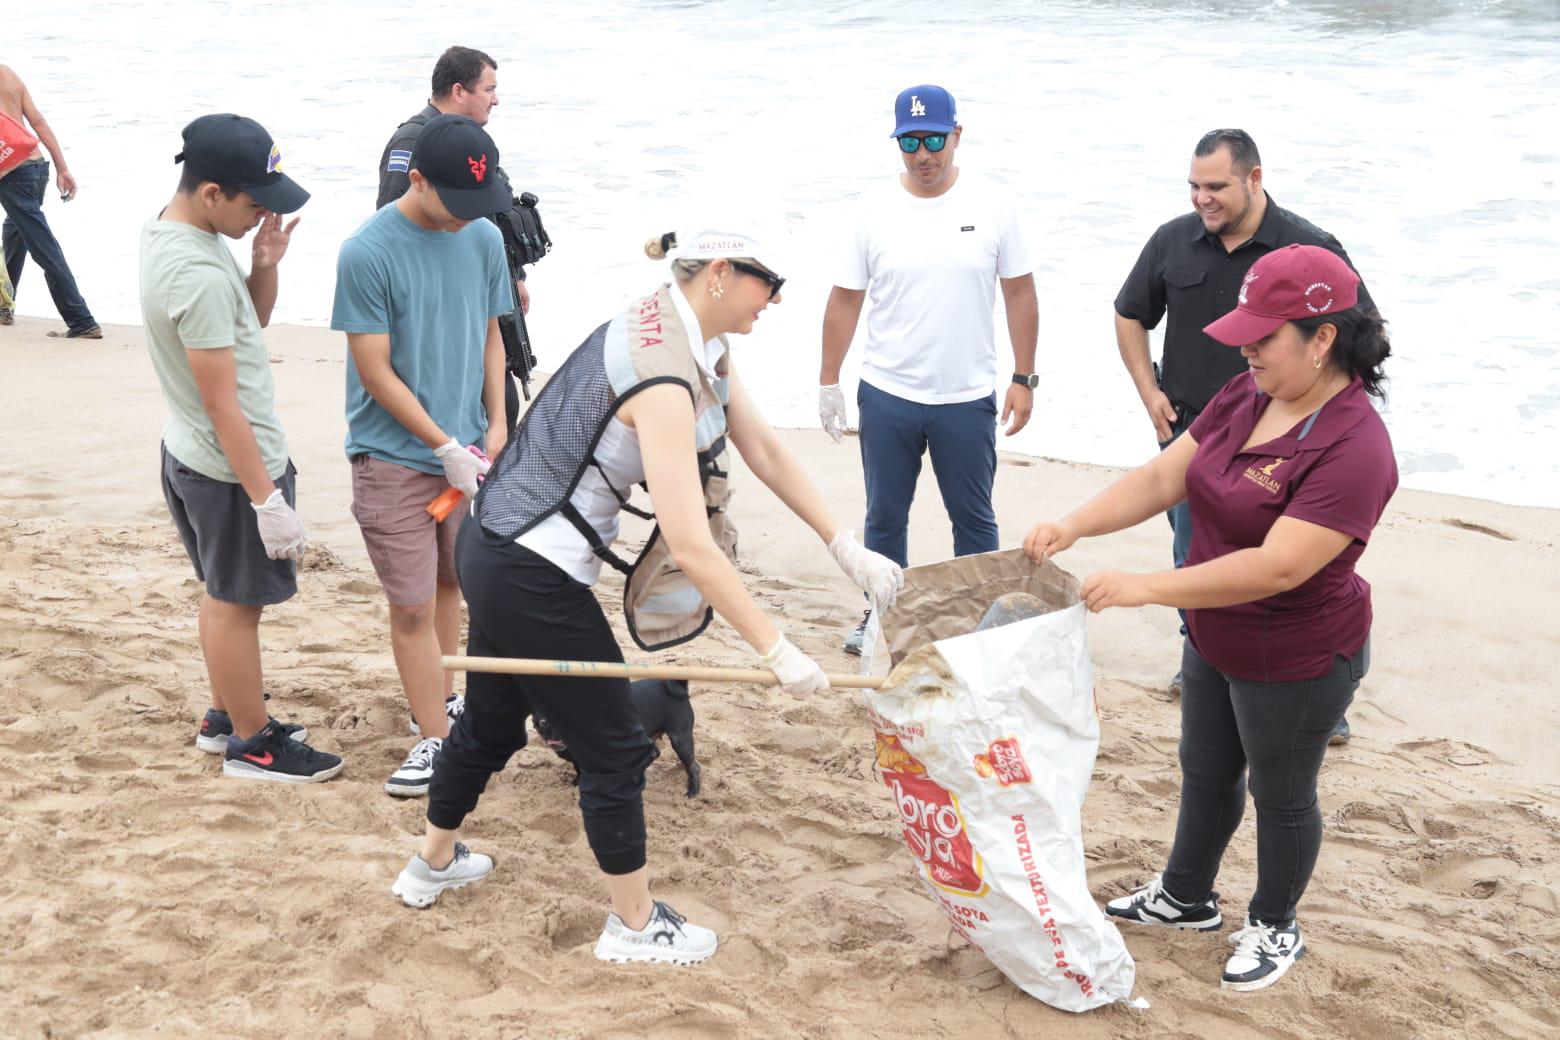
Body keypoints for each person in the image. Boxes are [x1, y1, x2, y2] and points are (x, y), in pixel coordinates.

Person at [389, 227, 904, 968]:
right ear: (721, 272)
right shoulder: (663, 377)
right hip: (529, 570)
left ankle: (430, 866)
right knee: (615, 750)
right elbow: (692, 546)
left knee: (495, 723)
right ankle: (633, 925)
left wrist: (842, 544)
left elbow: (758, 445)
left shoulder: (682, 324)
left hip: (491, 543)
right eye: (770, 281)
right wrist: (778, 648)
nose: (781, 298)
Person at [1026, 244, 1397, 992]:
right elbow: (1168, 474)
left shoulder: (1356, 445)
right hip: (1214, 628)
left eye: (1263, 337)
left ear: (1323, 337)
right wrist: (1075, 526)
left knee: (1282, 793)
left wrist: (1148, 587)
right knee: (1205, 769)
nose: (1246, 350)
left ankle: (1274, 924)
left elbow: (1280, 565)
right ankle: (1185, 896)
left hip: (1297, 652)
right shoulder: (1246, 395)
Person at [1114, 128, 1374, 745]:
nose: (1202, 199)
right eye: (1195, 187)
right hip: (1192, 434)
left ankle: (1318, 696)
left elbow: (1358, 340)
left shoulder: (1310, 249)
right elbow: (1129, 313)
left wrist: (1326, 431)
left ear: (1254, 179)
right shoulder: (1173, 240)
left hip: (1288, 445)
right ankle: (1202, 662)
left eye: (1216, 187)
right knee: (1194, 552)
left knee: (1294, 566)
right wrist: (1147, 391)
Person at [141, 113, 342, 783]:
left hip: (196, 453)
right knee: (236, 604)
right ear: (211, 193)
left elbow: (245, 323)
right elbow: (221, 402)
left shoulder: (178, 235)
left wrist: (263, 267)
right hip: (226, 466)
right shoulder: (193, 271)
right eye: (253, 203)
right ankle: (254, 746)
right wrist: (267, 499)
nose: (262, 215)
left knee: (223, 594)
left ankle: (227, 715)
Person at [819, 84, 1037, 655]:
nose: (924, 154)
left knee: (975, 519)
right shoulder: (871, 209)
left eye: (934, 139)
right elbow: (845, 300)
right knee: (885, 518)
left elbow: (1019, 293)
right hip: (888, 393)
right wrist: (827, 383)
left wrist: (1024, 377)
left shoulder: (995, 203)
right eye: (910, 142)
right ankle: (881, 618)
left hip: (965, 398)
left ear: (956, 136)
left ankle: (979, 626)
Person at [333, 114, 511, 798]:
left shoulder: (485, 235)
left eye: (479, 205)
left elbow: (493, 331)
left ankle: (444, 704)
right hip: (392, 457)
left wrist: (494, 424)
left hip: (469, 448)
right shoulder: (367, 252)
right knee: (409, 605)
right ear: (414, 180)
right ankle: (436, 741)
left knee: (451, 586)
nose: (469, 220)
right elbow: (374, 369)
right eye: (456, 205)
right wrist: (439, 444)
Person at [375, 45, 536, 430]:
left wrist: (513, 276)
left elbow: (487, 214)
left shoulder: (470, 141)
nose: (496, 100)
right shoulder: (412, 143)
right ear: (459, 90)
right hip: (442, 314)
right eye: (489, 89)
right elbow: (391, 230)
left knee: (503, 410)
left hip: (482, 302)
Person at [0, 64, 99, 336]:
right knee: (15, 230)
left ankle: (82, 320)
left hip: (11, 176)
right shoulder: (8, 74)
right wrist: (62, 167)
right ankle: (3, 306)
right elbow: (37, 122)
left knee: (43, 247)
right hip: (37, 168)